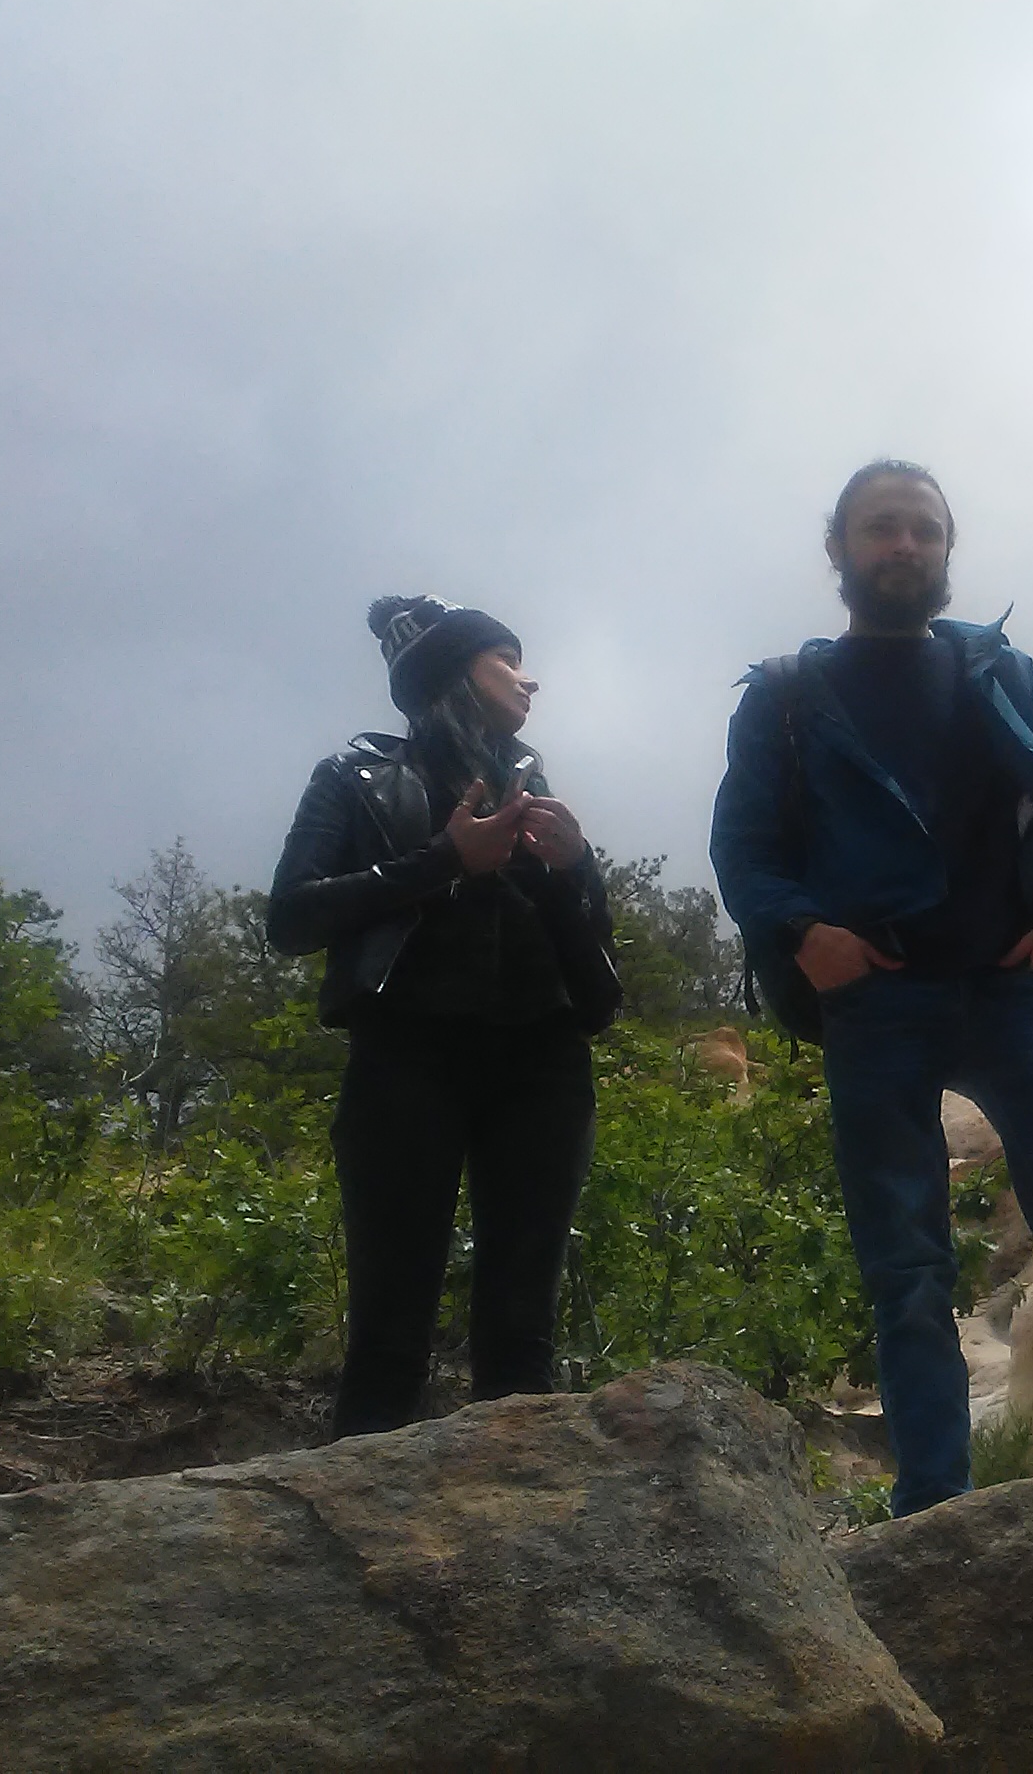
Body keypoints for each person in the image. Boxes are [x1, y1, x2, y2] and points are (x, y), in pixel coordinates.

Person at [710, 459, 1033, 1515]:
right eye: (882, 528)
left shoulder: (1003, 675)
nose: (905, 546)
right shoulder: (788, 696)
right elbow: (744, 850)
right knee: (907, 1269)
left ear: (946, 549)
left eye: (924, 530)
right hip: (876, 1001)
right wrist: (802, 935)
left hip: (1017, 992)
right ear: (838, 550)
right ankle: (933, 1512)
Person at [269, 594, 623, 1438]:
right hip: (406, 1057)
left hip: (543, 1064)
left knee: (522, 1338)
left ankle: (524, 1512)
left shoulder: (533, 788)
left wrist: (576, 867)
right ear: (456, 671)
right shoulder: (355, 777)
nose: (530, 680)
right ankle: (355, 1516)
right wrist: (444, 860)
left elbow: (597, 958)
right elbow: (291, 918)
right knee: (389, 1335)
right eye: (508, 661)